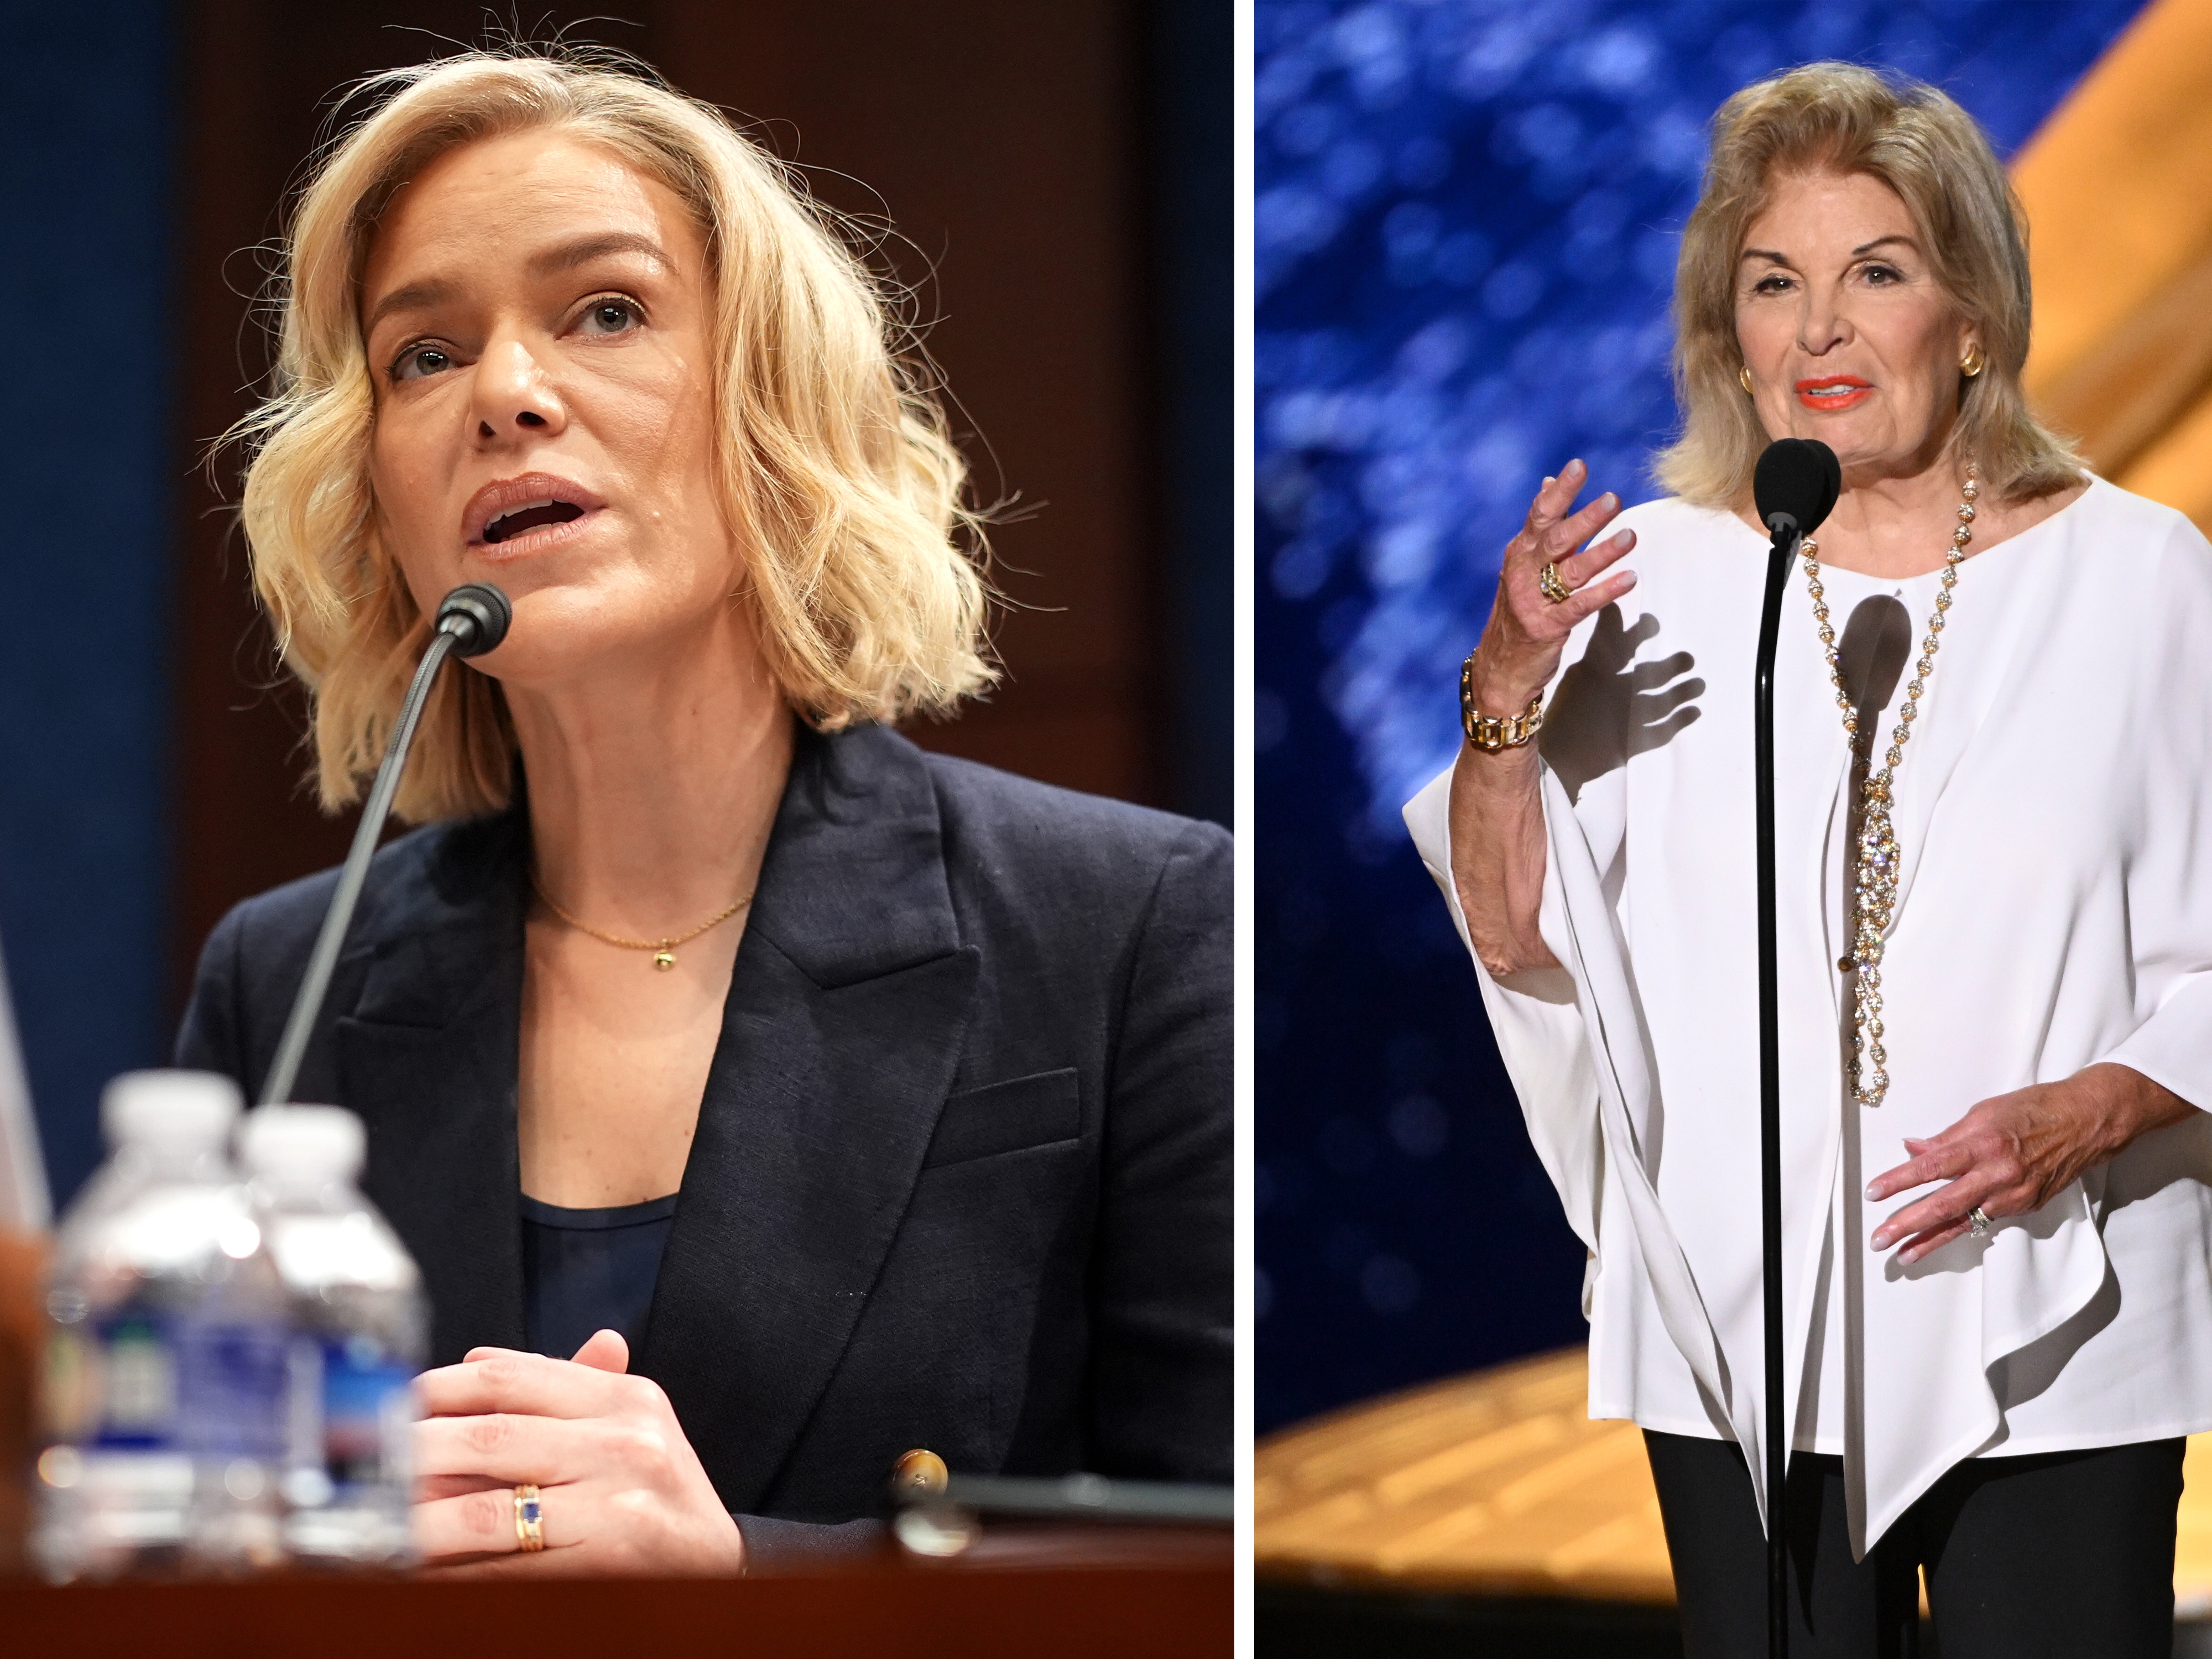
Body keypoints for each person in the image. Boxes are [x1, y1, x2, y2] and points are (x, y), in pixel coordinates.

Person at [176, 49, 1230, 1575]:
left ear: (766, 401)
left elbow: (1236, 1562)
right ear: (375, 496)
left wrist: (750, 1579)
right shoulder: (285, 986)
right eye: (423, 355)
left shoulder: (1131, 923)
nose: (509, 396)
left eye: (606, 311)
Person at [1405, 62, 2212, 1658]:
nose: (1821, 329)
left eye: (1878, 274)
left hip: (2065, 1294)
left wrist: (2094, 1110)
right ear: (1732, 335)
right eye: (1775, 284)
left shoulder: (2145, 579)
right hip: (1740, 1319)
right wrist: (1506, 693)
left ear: (1974, 319)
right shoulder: (1656, 586)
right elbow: (1517, 934)